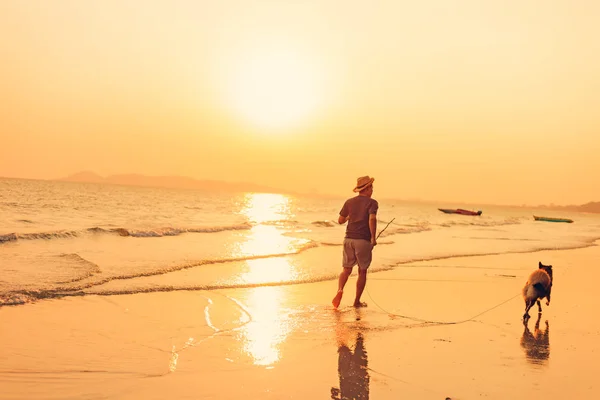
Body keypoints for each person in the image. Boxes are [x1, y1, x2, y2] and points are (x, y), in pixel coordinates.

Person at [332, 176, 378, 309]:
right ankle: (356, 301)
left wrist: (348, 217)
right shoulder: (372, 203)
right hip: (362, 240)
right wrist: (373, 238)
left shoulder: (349, 202)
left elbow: (340, 220)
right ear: (367, 188)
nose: (372, 190)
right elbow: (372, 220)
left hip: (348, 239)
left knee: (346, 269)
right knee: (362, 271)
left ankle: (340, 290)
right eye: (371, 188)